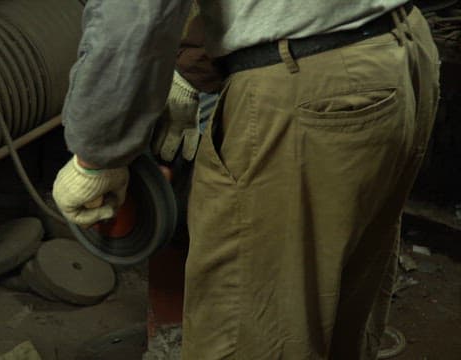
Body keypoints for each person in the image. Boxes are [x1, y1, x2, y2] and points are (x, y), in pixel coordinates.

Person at [52, 1, 440, 358]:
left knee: (252, 335)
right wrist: (193, 66)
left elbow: (135, 14)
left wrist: (96, 156)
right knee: (336, 318)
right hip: (396, 49)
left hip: (315, 88)